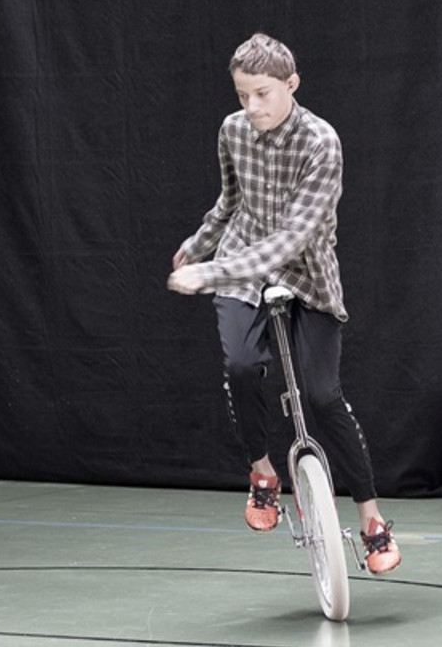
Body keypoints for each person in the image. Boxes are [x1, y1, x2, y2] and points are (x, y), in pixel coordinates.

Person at [167, 33, 400, 574]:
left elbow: (292, 238)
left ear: (291, 85)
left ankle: (370, 517)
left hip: (305, 272)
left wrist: (211, 271)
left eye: (263, 94)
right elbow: (230, 203)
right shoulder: (232, 131)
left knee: (322, 396)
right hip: (240, 267)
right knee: (243, 367)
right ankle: (264, 472)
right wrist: (197, 245)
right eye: (244, 95)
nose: (252, 108)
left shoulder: (322, 143)